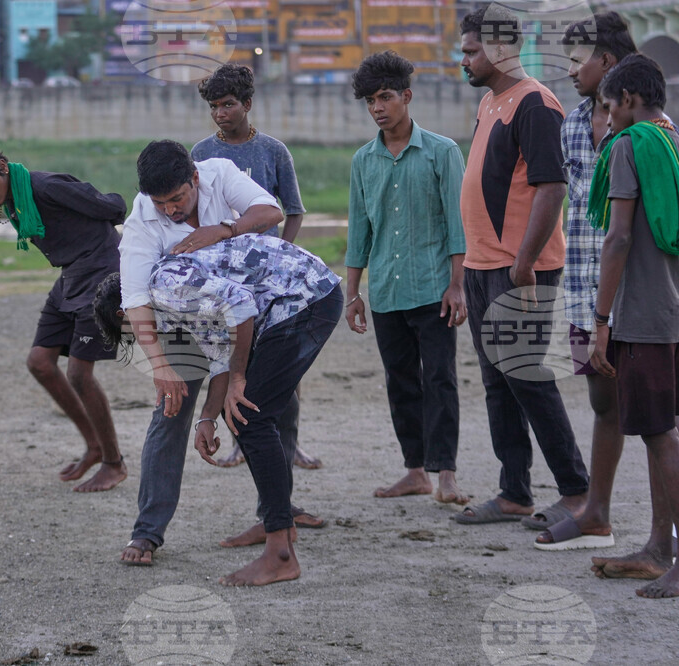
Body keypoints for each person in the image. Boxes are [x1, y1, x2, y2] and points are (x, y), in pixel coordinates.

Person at [117, 139, 323, 564]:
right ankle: (147, 532)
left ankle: (274, 517)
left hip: (243, 309)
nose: (171, 210)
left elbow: (271, 212)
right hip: (177, 310)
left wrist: (223, 229)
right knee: (170, 412)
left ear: (194, 178)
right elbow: (136, 299)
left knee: (268, 407)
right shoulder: (141, 220)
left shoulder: (218, 171)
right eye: (162, 204)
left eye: (177, 199)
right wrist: (160, 367)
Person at [95, 234, 343, 585]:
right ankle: (279, 528)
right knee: (244, 414)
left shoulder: (166, 285)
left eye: (133, 333)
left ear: (126, 312)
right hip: (298, 300)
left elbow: (241, 303)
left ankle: (281, 553)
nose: (148, 343)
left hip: (305, 297)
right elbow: (220, 358)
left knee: (250, 416)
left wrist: (241, 377)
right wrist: (207, 418)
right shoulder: (173, 305)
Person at [453, 7, 589, 527]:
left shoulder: (535, 103)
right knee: (497, 382)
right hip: (484, 266)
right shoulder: (492, 101)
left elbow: (552, 187)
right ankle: (514, 492)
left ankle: (576, 492)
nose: (463, 61)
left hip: (520, 270)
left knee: (528, 378)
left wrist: (525, 265)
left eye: (471, 51)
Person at [0, 141, 127, 492]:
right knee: (40, 362)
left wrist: (116, 257)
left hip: (102, 271)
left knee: (79, 373)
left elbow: (114, 206)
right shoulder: (13, 199)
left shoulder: (46, 187)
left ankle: (114, 463)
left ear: (3, 166)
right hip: (71, 275)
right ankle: (94, 446)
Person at [344, 51, 469, 505]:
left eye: (385, 97)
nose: (378, 107)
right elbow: (360, 229)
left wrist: (457, 285)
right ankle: (415, 471)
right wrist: (352, 291)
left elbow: (458, 226)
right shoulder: (363, 161)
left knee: (440, 379)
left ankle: (447, 474)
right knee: (400, 381)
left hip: (434, 289)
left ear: (406, 97)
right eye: (371, 101)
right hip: (387, 293)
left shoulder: (442, 152)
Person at [534, 12, 638, 551]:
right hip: (582, 292)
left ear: (610, 63)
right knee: (604, 402)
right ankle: (596, 513)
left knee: (656, 413)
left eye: (578, 61)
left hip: (638, 298)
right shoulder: (572, 122)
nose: (570, 70)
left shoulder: (651, 135)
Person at [191, 63, 323, 471]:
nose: (220, 113)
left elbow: (293, 212)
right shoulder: (200, 154)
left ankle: (291, 443)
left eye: (228, 104)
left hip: (271, 279)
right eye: (214, 106)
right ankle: (241, 444)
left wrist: (283, 259)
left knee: (285, 366)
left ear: (247, 104)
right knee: (235, 363)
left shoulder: (272, 151)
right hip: (224, 279)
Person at [586, 54, 679, 598]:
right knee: (658, 430)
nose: (605, 116)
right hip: (672, 308)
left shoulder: (629, 144)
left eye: (606, 105)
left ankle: (670, 554)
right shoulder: (671, 138)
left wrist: (601, 320)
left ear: (625, 101)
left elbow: (617, 237)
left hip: (644, 312)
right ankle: (657, 549)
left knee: (659, 434)